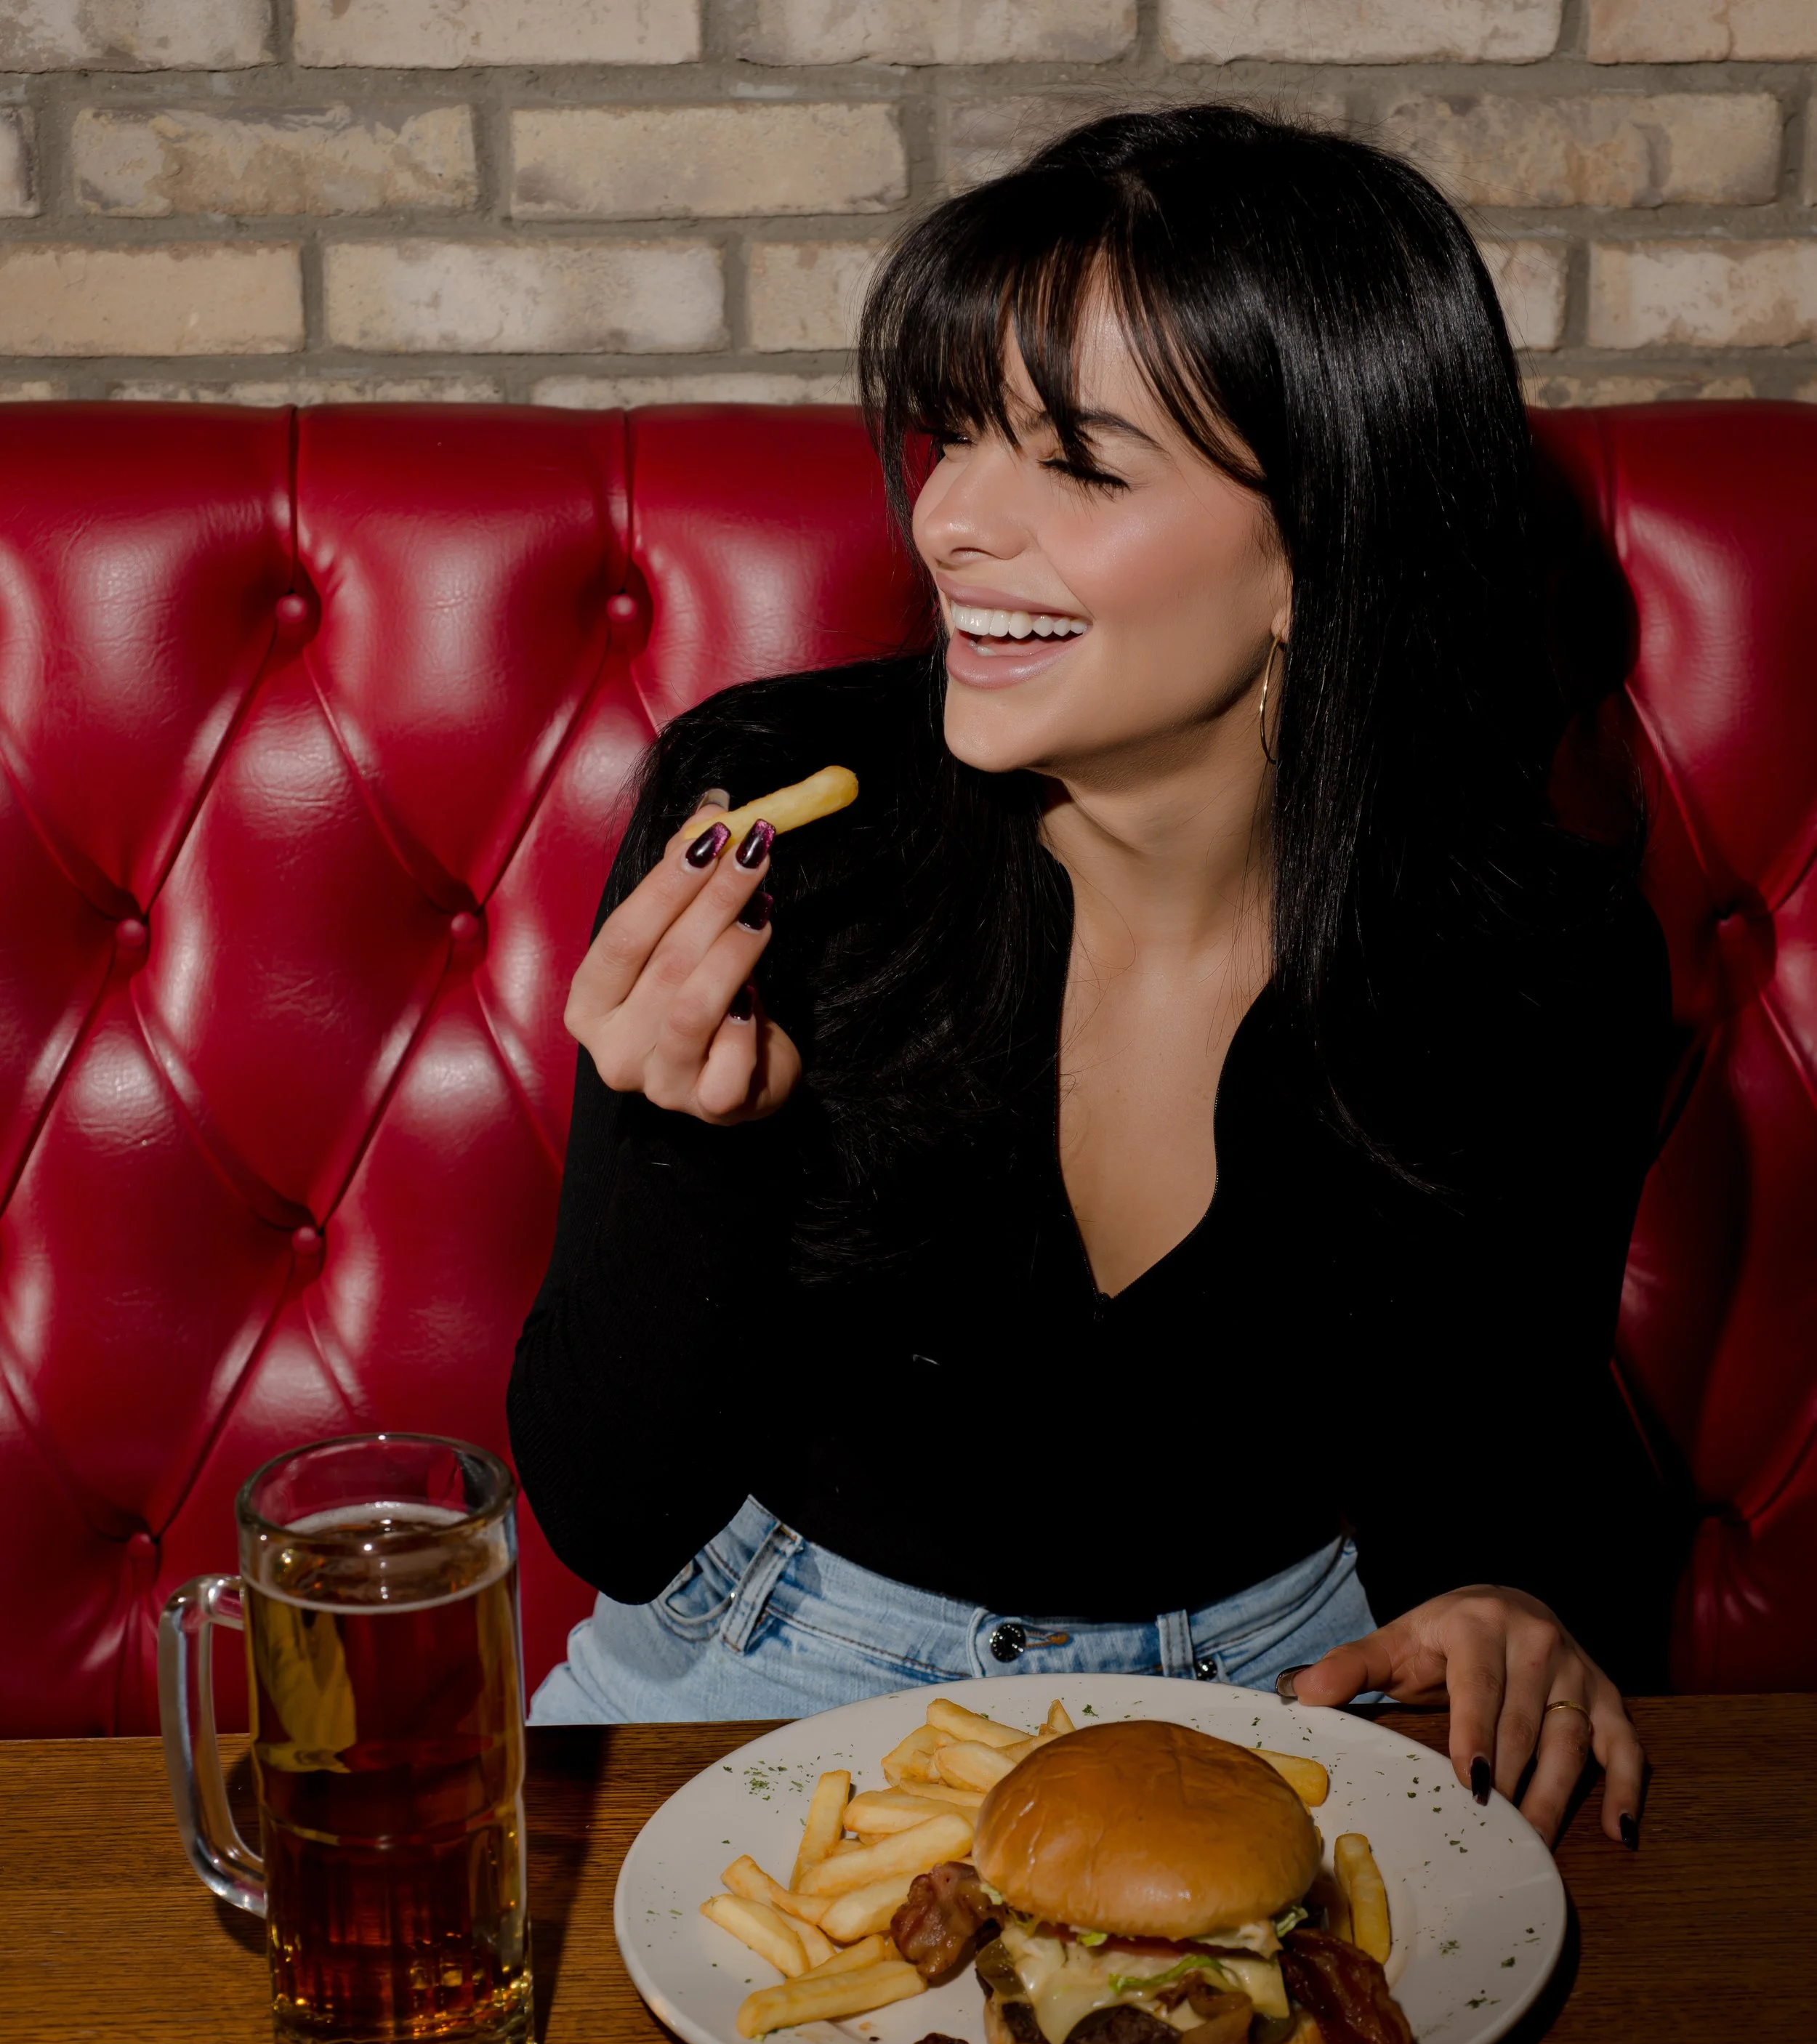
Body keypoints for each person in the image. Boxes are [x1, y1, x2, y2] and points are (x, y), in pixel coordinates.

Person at [508, 105, 1680, 1849]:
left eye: (1076, 460)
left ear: (1317, 549)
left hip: (1282, 1697)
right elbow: (610, 1504)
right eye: (954, 434)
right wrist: (679, 1133)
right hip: (752, 1668)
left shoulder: (1526, 956)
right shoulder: (775, 815)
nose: (952, 523)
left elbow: (1487, 1483)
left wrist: (1506, 1601)